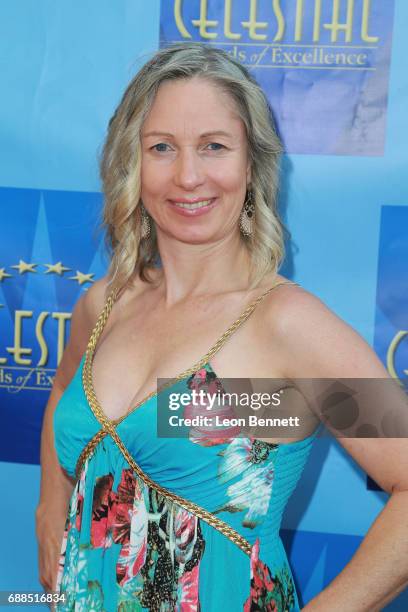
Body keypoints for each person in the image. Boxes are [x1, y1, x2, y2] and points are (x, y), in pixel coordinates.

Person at [36, 43, 408, 611]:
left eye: (214, 147)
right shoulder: (104, 306)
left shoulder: (290, 326)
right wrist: (49, 503)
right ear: (132, 164)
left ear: (252, 165)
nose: (188, 176)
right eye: (162, 147)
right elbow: (66, 391)